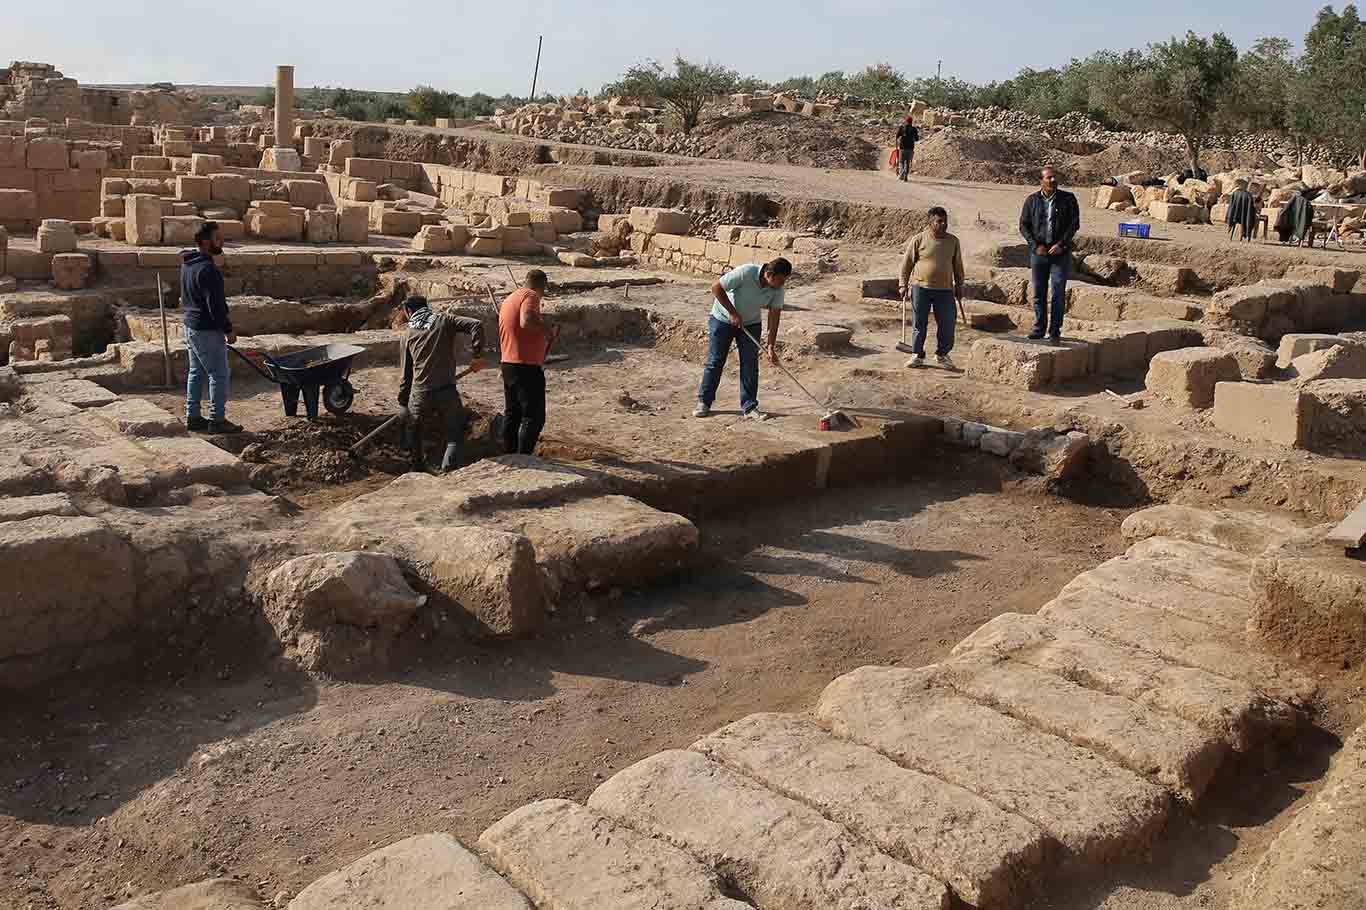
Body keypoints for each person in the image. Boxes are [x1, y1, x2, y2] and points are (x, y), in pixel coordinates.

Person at [694, 257, 790, 420]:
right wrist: (732, 313)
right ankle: (704, 402)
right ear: (768, 274)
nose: (781, 285)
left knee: (750, 365)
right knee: (716, 361)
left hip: (751, 324)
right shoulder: (746, 272)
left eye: (784, 281)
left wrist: (771, 346)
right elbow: (716, 288)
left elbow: (774, 316)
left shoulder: (778, 289)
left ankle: (749, 407)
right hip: (722, 319)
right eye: (779, 280)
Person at [397, 294, 483, 473]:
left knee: (414, 433)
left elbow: (406, 375)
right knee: (455, 434)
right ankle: (448, 471)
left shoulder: (407, 334)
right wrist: (477, 356)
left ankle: (418, 470)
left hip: (420, 393)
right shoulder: (444, 320)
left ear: (408, 311)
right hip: (447, 390)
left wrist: (403, 402)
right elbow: (476, 324)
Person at [181, 221, 240, 434]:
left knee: (196, 372)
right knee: (219, 374)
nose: (221, 241)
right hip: (206, 329)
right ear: (206, 242)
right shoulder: (208, 270)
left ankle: (193, 416)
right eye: (217, 238)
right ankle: (217, 420)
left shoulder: (188, 264)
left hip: (191, 326)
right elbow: (215, 306)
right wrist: (228, 329)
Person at [1019, 166, 1080, 342]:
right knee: (1039, 292)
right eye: (1049, 178)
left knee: (1058, 291)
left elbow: (1074, 224)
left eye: (1055, 178)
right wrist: (1035, 245)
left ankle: (1055, 330)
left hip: (1060, 254)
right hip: (1039, 253)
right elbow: (1024, 225)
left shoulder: (1068, 199)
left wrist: (1061, 244)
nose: (1053, 181)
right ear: (1041, 181)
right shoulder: (1032, 201)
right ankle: (1039, 328)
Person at [899, 206, 965, 369]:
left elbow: (957, 266)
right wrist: (903, 284)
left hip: (945, 290)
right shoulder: (918, 240)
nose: (943, 224)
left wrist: (960, 285)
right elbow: (907, 264)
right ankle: (917, 354)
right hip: (921, 287)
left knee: (947, 323)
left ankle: (942, 354)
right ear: (930, 223)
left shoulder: (953, 241)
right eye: (939, 221)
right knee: (919, 323)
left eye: (945, 221)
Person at [498, 269, 556, 455]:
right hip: (525, 365)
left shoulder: (511, 298)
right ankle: (524, 458)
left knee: (513, 414)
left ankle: (510, 455)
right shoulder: (531, 295)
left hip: (509, 363)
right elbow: (526, 320)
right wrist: (547, 330)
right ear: (542, 286)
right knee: (534, 417)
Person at [895, 116, 919, 181]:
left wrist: (897, 142)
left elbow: (897, 136)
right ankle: (906, 175)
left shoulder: (902, 128)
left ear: (906, 121)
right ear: (912, 122)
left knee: (901, 162)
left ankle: (901, 175)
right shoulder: (914, 129)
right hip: (910, 148)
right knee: (907, 162)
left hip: (902, 148)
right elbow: (917, 139)